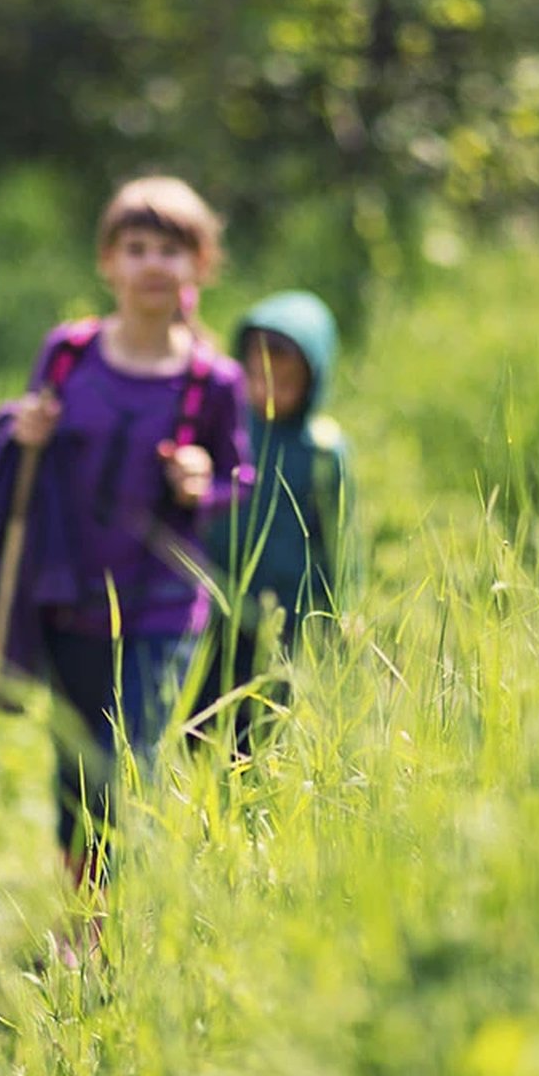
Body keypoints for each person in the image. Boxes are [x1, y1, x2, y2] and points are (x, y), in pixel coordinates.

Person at [0, 176, 250, 905]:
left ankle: (108, 920)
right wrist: (26, 435)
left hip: (161, 604)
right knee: (76, 765)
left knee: (130, 759)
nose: (153, 263)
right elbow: (28, 452)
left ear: (199, 265)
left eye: (171, 250)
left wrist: (203, 481)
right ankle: (84, 905)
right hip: (70, 596)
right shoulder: (69, 353)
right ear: (109, 262)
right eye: (137, 247)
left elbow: (238, 479)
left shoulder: (213, 381)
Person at [198, 290, 351, 750]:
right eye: (258, 377)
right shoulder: (226, 428)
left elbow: (340, 539)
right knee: (198, 718)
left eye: (286, 383)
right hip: (214, 601)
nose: (268, 392)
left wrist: (341, 609)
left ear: (313, 382)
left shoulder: (321, 451)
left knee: (262, 727)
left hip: (284, 616)